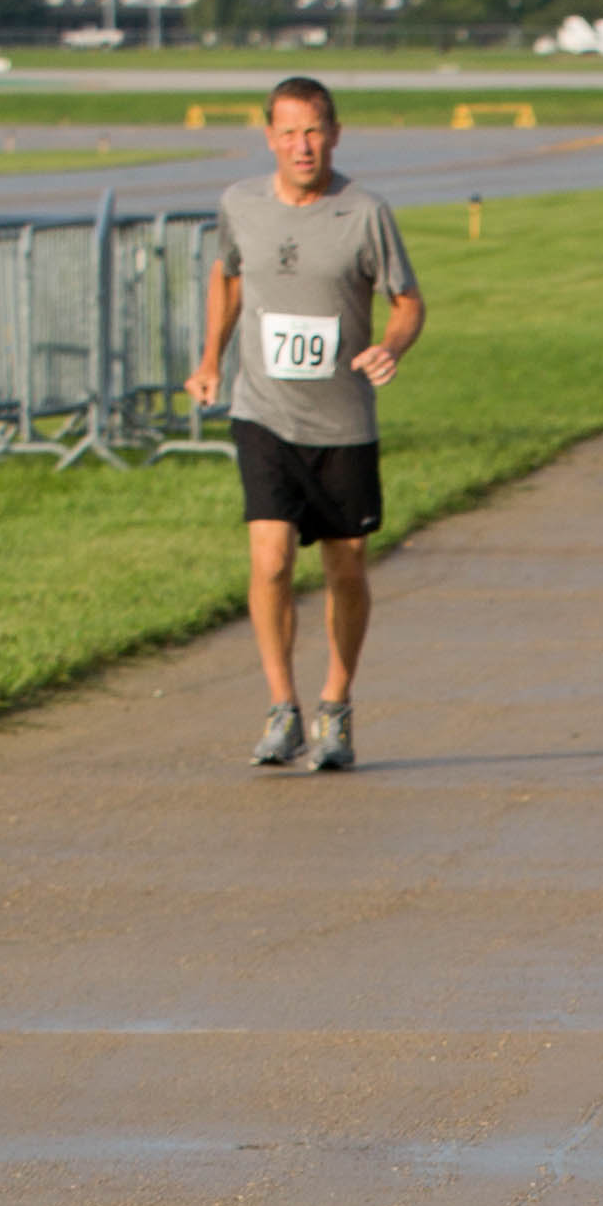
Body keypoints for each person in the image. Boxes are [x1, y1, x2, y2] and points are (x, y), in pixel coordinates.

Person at [188, 76, 424, 772]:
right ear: (268, 137)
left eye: (314, 130)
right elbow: (228, 276)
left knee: (345, 566)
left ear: (336, 133)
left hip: (343, 419)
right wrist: (209, 359)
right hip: (262, 410)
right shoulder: (240, 204)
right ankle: (281, 707)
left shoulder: (363, 213)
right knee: (269, 559)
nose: (302, 145)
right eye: (288, 132)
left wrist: (391, 344)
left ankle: (336, 705)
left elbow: (408, 300)